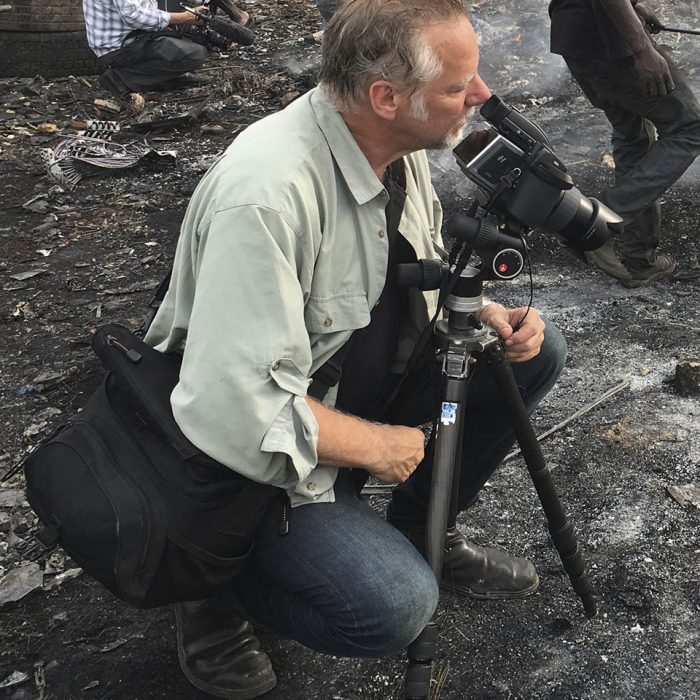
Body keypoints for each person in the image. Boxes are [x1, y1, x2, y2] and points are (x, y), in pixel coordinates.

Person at [145, 1, 568, 697]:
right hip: (242, 462)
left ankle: (427, 526)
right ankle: (211, 592)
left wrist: (484, 309)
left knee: (534, 357)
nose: (482, 96)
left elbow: (418, 263)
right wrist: (376, 447)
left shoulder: (388, 144)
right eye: (459, 86)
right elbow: (232, 409)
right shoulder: (267, 194)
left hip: (348, 384)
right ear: (385, 96)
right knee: (392, 608)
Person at [549, 0, 700, 286]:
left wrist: (633, 7)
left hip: (578, 37)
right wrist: (642, 49)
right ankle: (598, 223)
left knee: (633, 137)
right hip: (607, 43)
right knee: (690, 127)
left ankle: (638, 259)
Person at [82, 0, 213, 99]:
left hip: (132, 37)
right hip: (119, 46)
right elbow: (132, 15)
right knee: (193, 55)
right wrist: (182, 18)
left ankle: (165, 79)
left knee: (188, 42)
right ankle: (119, 80)